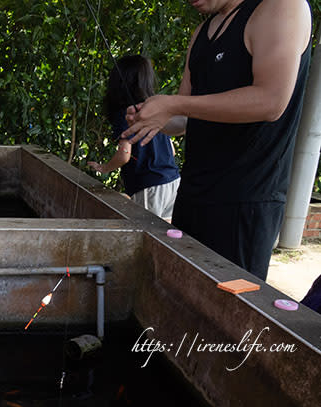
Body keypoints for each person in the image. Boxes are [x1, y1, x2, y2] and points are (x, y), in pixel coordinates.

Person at [122, 0, 312, 281]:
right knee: (181, 294)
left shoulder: (281, 6)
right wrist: (155, 115)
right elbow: (185, 117)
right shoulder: (201, 32)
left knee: (228, 309)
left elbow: (271, 101)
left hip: (244, 201)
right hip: (192, 195)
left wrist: (173, 105)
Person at [87, 55, 180, 219]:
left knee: (145, 233)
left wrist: (105, 168)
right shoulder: (154, 109)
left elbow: (124, 154)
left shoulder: (126, 113)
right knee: (165, 232)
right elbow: (171, 151)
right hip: (173, 182)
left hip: (148, 186)